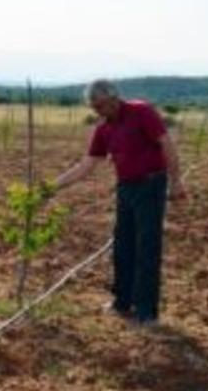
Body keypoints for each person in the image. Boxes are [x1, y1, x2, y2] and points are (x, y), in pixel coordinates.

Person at [49, 79, 187, 327]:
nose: (97, 112)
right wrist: (50, 188)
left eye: (100, 106)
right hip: (126, 188)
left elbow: (167, 144)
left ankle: (146, 313)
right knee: (122, 246)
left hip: (151, 185)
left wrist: (176, 182)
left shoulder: (141, 111)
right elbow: (86, 165)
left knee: (147, 248)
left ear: (113, 99)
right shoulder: (104, 129)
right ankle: (122, 302)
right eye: (93, 108)